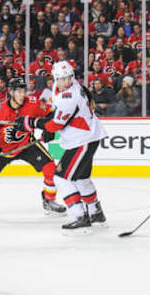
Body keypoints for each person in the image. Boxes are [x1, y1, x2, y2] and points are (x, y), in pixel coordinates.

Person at [15, 61, 108, 231]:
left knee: (60, 177)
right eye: (62, 78)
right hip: (86, 137)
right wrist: (49, 124)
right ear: (56, 78)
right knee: (81, 178)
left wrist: (30, 123)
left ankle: (79, 215)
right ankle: (95, 212)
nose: (67, 81)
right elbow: (57, 115)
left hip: (82, 141)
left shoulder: (69, 96)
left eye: (69, 77)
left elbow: (56, 125)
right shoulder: (63, 89)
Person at [0, 78, 66, 214]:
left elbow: (51, 114)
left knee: (51, 170)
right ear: (10, 92)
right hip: (4, 149)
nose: (22, 95)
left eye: (23, 91)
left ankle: (49, 200)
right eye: (18, 91)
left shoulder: (33, 103)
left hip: (27, 145)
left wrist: (48, 129)